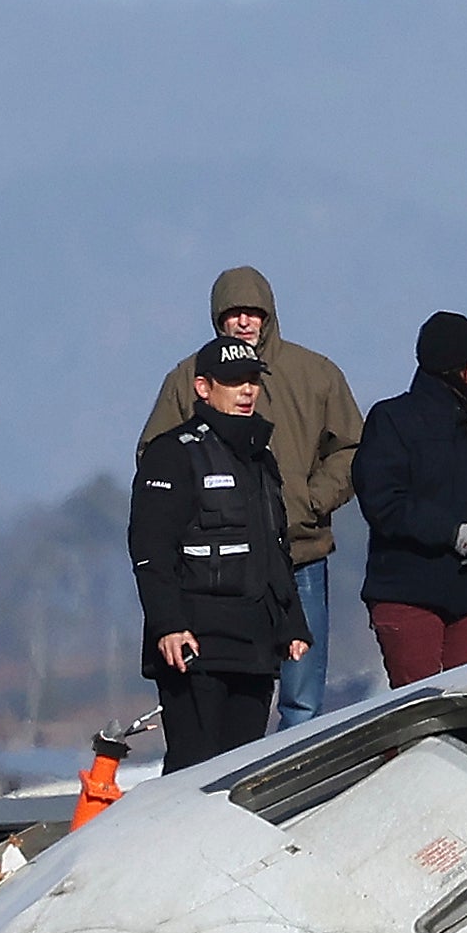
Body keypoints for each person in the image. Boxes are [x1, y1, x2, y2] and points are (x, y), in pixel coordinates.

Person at [139, 267, 364, 729]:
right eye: (233, 313)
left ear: (270, 315)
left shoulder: (316, 373)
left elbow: (352, 448)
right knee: (229, 698)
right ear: (217, 319)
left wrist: (308, 501)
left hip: (300, 554)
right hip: (216, 571)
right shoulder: (187, 378)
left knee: (301, 699)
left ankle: (296, 788)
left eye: (253, 313)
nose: (244, 322)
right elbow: (155, 456)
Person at [128, 335, 309, 770]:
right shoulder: (171, 454)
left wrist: (291, 624)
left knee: (240, 774)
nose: (247, 390)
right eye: (233, 381)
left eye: (252, 380)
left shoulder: (261, 458)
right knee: (192, 773)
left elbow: (275, 548)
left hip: (253, 647)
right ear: (203, 388)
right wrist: (168, 625)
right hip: (194, 646)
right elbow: (150, 548)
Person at [354, 313, 467, 685]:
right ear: (453, 365)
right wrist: (451, 533)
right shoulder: (393, 420)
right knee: (417, 707)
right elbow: (383, 501)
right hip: (407, 589)